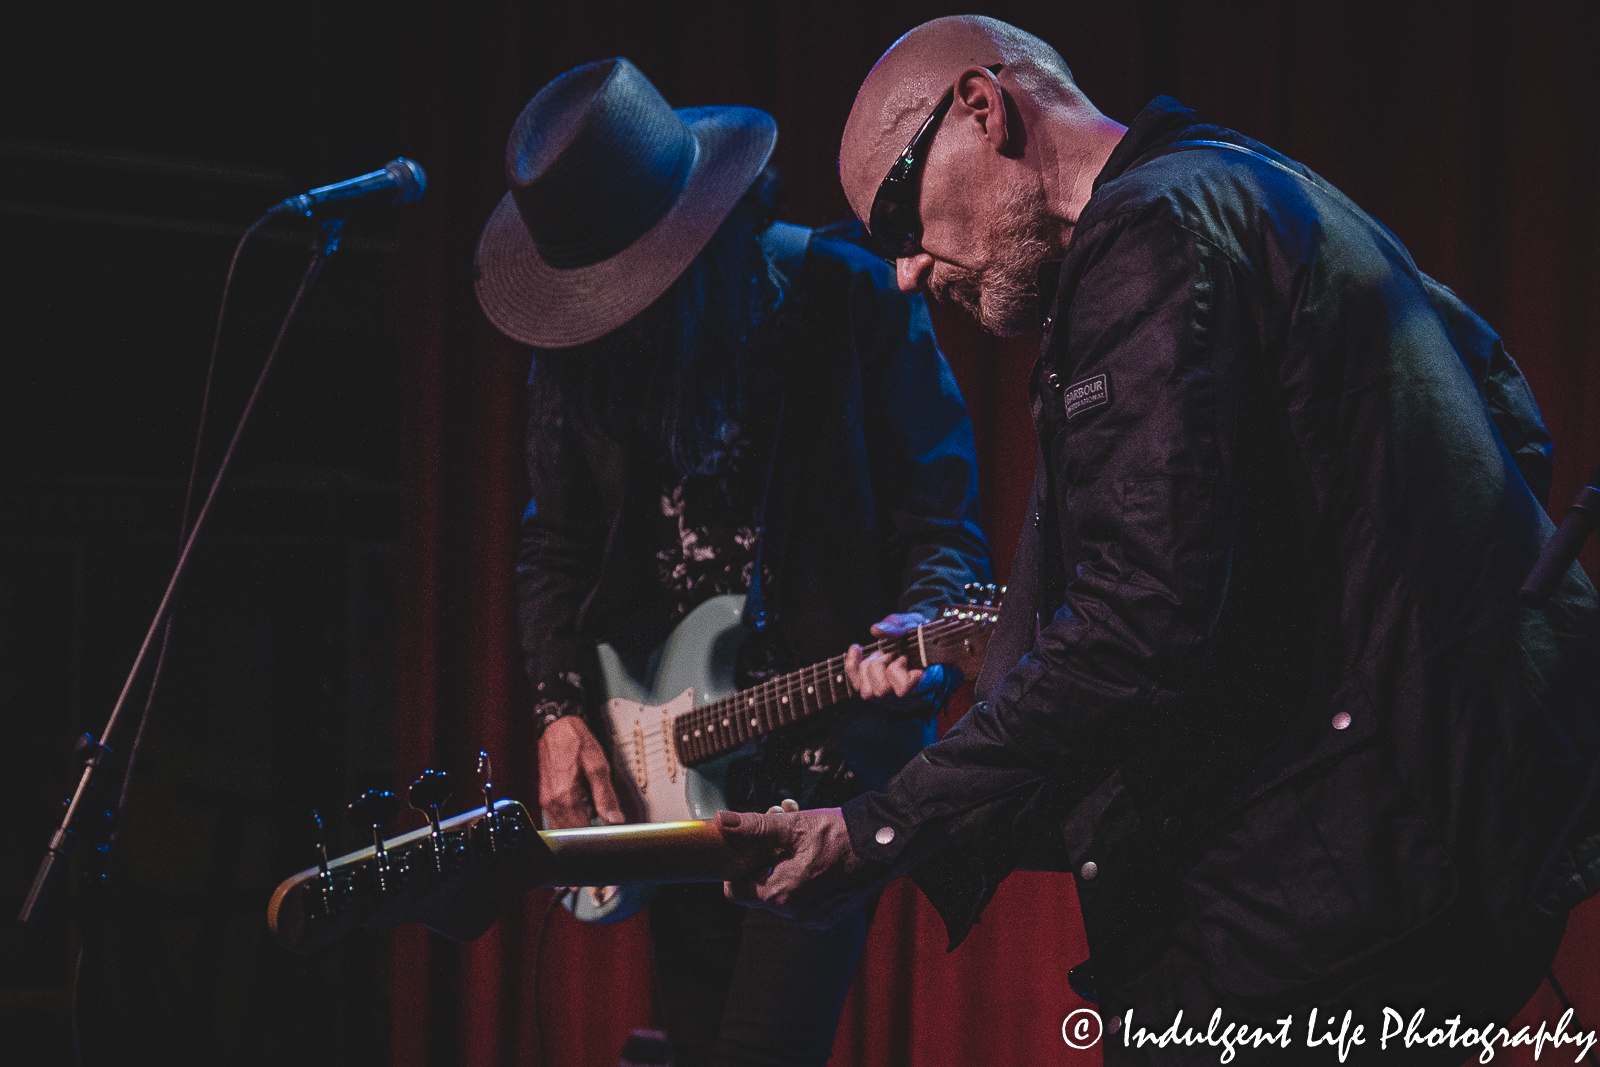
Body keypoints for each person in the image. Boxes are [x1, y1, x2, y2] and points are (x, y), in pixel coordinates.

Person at [722, 16, 1600, 1063]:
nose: (907, 270)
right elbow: (1505, 419)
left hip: (1311, 932)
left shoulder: (1148, 233)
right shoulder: (1251, 186)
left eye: (899, 216)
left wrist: (873, 826)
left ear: (981, 108)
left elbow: (1142, 621)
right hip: (1415, 877)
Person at [472, 57, 992, 1067]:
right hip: (663, 752)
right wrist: (557, 710)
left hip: (828, 755)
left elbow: (942, 524)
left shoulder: (850, 301)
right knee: (702, 1042)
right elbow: (556, 543)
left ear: (700, 240)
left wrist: (921, 632)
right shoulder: (584, 354)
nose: (618, 310)